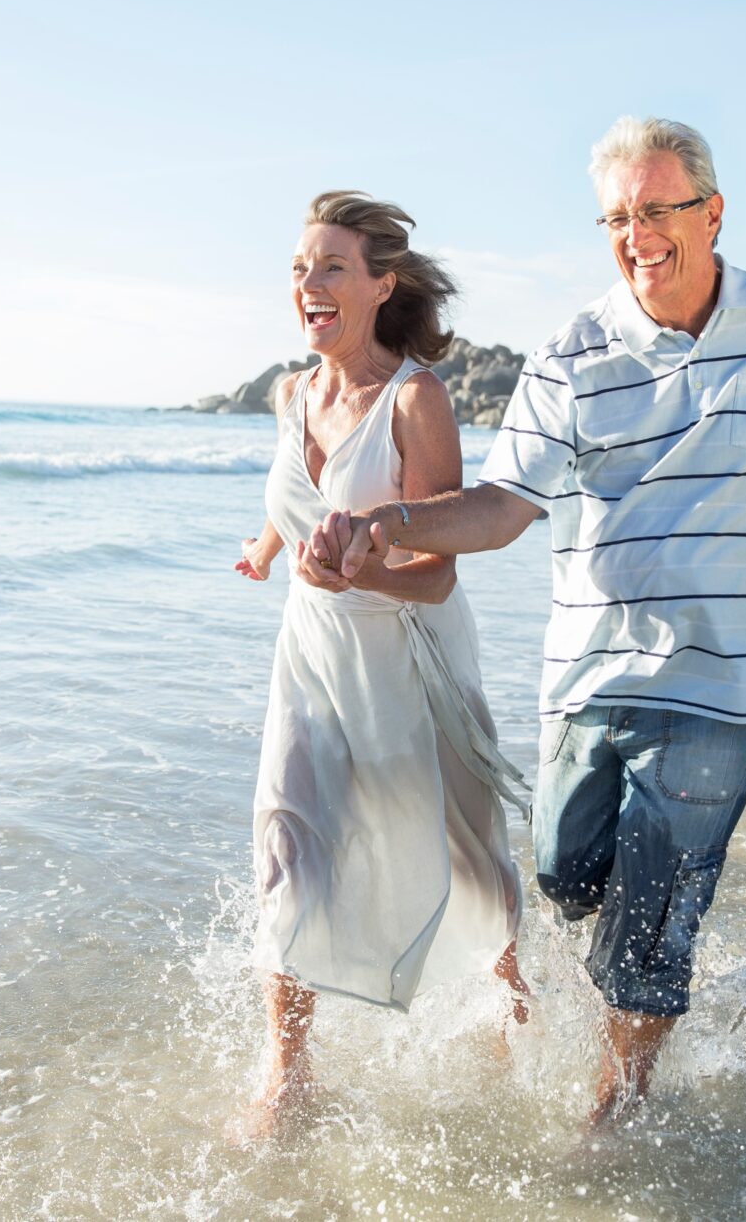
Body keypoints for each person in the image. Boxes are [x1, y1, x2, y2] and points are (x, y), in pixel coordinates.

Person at [307, 118, 746, 1127]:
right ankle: (642, 984)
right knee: (562, 873)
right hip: (591, 671)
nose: (634, 233)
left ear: (709, 213)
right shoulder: (571, 351)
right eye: (616, 217)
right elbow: (501, 506)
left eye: (655, 209)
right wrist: (389, 524)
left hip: (730, 680)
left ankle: (617, 1106)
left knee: (650, 912)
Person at [230, 191, 532, 1140]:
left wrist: (367, 565)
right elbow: (296, 499)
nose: (307, 286)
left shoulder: (416, 398)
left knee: (472, 858)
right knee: (288, 844)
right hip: (312, 663)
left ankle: (518, 1010)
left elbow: (439, 571)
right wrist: (269, 549)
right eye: (297, 270)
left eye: (328, 268)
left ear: (379, 284)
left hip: (412, 658)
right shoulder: (292, 392)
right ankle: (289, 1074)